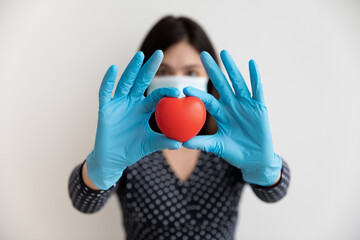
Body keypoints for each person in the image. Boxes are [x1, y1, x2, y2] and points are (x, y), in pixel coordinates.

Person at [68, 15, 290, 240]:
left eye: (192, 72)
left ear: (210, 79)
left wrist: (269, 170)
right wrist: (99, 171)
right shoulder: (130, 144)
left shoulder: (230, 141)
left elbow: (274, 195)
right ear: (147, 77)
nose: (177, 83)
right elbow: (84, 203)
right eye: (163, 72)